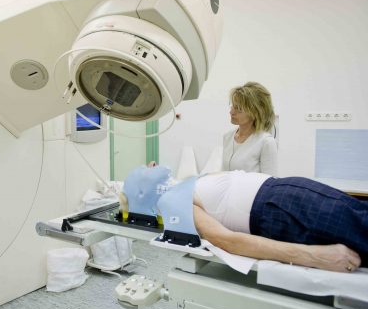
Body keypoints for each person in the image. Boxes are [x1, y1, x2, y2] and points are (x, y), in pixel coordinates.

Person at [123, 164, 366, 273]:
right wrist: (316, 257)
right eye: (144, 169)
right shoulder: (173, 200)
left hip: (286, 192)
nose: (151, 163)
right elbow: (227, 240)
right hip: (280, 210)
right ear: (143, 192)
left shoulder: (185, 184)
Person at [223, 82, 278, 175]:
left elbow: (270, 181)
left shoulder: (266, 142)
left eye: (238, 108)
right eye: (232, 106)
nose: (231, 112)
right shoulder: (228, 137)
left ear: (255, 113)